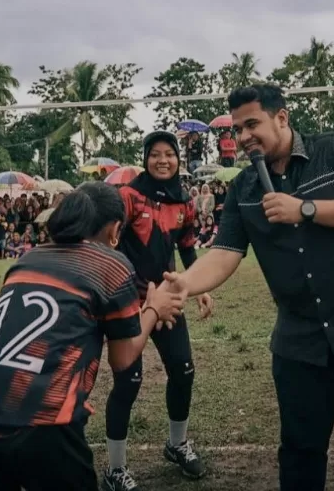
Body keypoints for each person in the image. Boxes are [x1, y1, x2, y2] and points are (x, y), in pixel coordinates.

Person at [163, 84, 334, 491]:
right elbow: (225, 253)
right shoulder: (245, 189)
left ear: (281, 117)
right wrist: (185, 284)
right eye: (236, 129)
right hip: (301, 342)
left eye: (252, 124)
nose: (243, 136)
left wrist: (305, 208)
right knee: (300, 451)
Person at [0, 183, 186, 491]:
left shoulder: (26, 260)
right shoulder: (111, 264)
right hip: (46, 425)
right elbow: (124, 359)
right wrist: (154, 308)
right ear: (116, 230)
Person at [102, 131, 215, 490]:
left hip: (165, 299)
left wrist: (198, 287)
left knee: (183, 371)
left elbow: (186, 248)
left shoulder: (184, 203)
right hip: (128, 302)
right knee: (128, 382)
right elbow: (108, 240)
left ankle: (177, 444)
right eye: (155, 154)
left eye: (169, 154)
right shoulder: (128, 196)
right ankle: (115, 470)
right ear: (145, 159)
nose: (162, 160)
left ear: (179, 160)